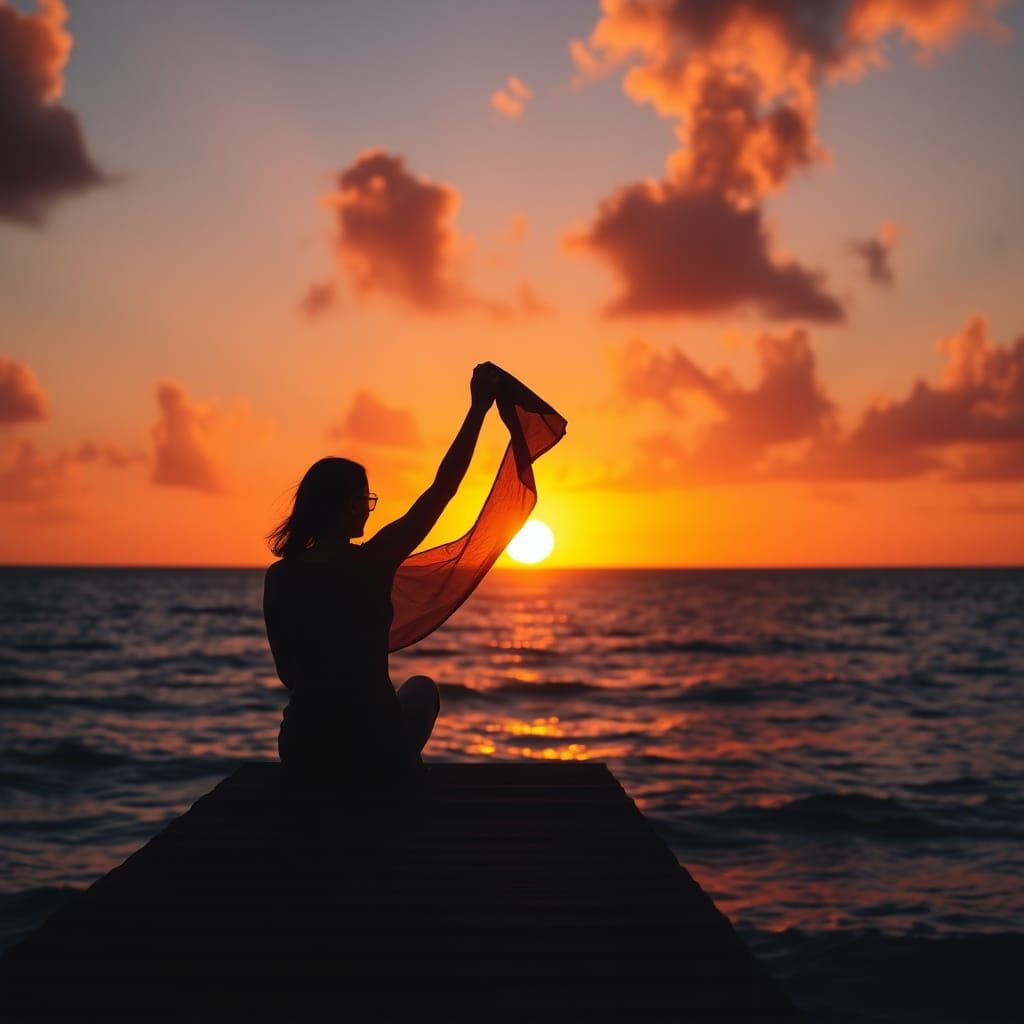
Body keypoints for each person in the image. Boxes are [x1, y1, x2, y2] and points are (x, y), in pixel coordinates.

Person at [262, 362, 502, 790]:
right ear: (345, 506)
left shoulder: (279, 577)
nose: (368, 509)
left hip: (303, 748)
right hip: (374, 748)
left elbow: (288, 674)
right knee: (422, 690)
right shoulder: (373, 561)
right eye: (364, 499)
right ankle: (403, 778)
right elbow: (442, 490)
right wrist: (478, 410)